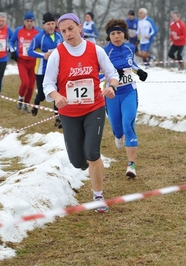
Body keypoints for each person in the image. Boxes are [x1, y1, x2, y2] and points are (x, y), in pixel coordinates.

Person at [43, 13, 119, 213]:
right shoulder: (57, 54)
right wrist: (57, 96)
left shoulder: (96, 50)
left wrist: (112, 87)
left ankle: (98, 196)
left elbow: (112, 74)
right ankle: (89, 164)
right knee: (78, 161)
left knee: (92, 152)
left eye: (71, 28)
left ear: (79, 28)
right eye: (63, 31)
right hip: (69, 112)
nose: (68, 34)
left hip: (94, 107)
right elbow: (47, 84)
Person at [102, 18, 148, 179]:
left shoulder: (130, 48)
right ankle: (118, 134)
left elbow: (131, 64)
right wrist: (114, 73)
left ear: (124, 34)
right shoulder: (104, 52)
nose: (117, 36)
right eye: (113, 33)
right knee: (118, 128)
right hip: (112, 95)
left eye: (119, 33)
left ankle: (131, 165)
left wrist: (139, 71)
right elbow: (99, 74)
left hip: (129, 92)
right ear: (109, 36)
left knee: (128, 125)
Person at [27, 12, 63, 127]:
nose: (51, 26)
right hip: (42, 70)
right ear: (44, 25)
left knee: (56, 93)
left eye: (52, 23)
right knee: (42, 95)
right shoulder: (39, 37)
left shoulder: (59, 36)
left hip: (57, 70)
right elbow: (29, 51)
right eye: (48, 24)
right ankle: (36, 103)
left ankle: (58, 119)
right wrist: (43, 55)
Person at [9, 11, 41, 113]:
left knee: (31, 86)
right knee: (25, 82)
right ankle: (20, 98)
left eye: (31, 21)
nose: (29, 23)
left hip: (33, 61)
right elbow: (11, 41)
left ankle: (26, 105)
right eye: (27, 21)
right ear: (24, 21)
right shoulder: (19, 30)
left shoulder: (38, 32)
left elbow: (44, 39)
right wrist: (13, 51)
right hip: (22, 61)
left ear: (34, 22)